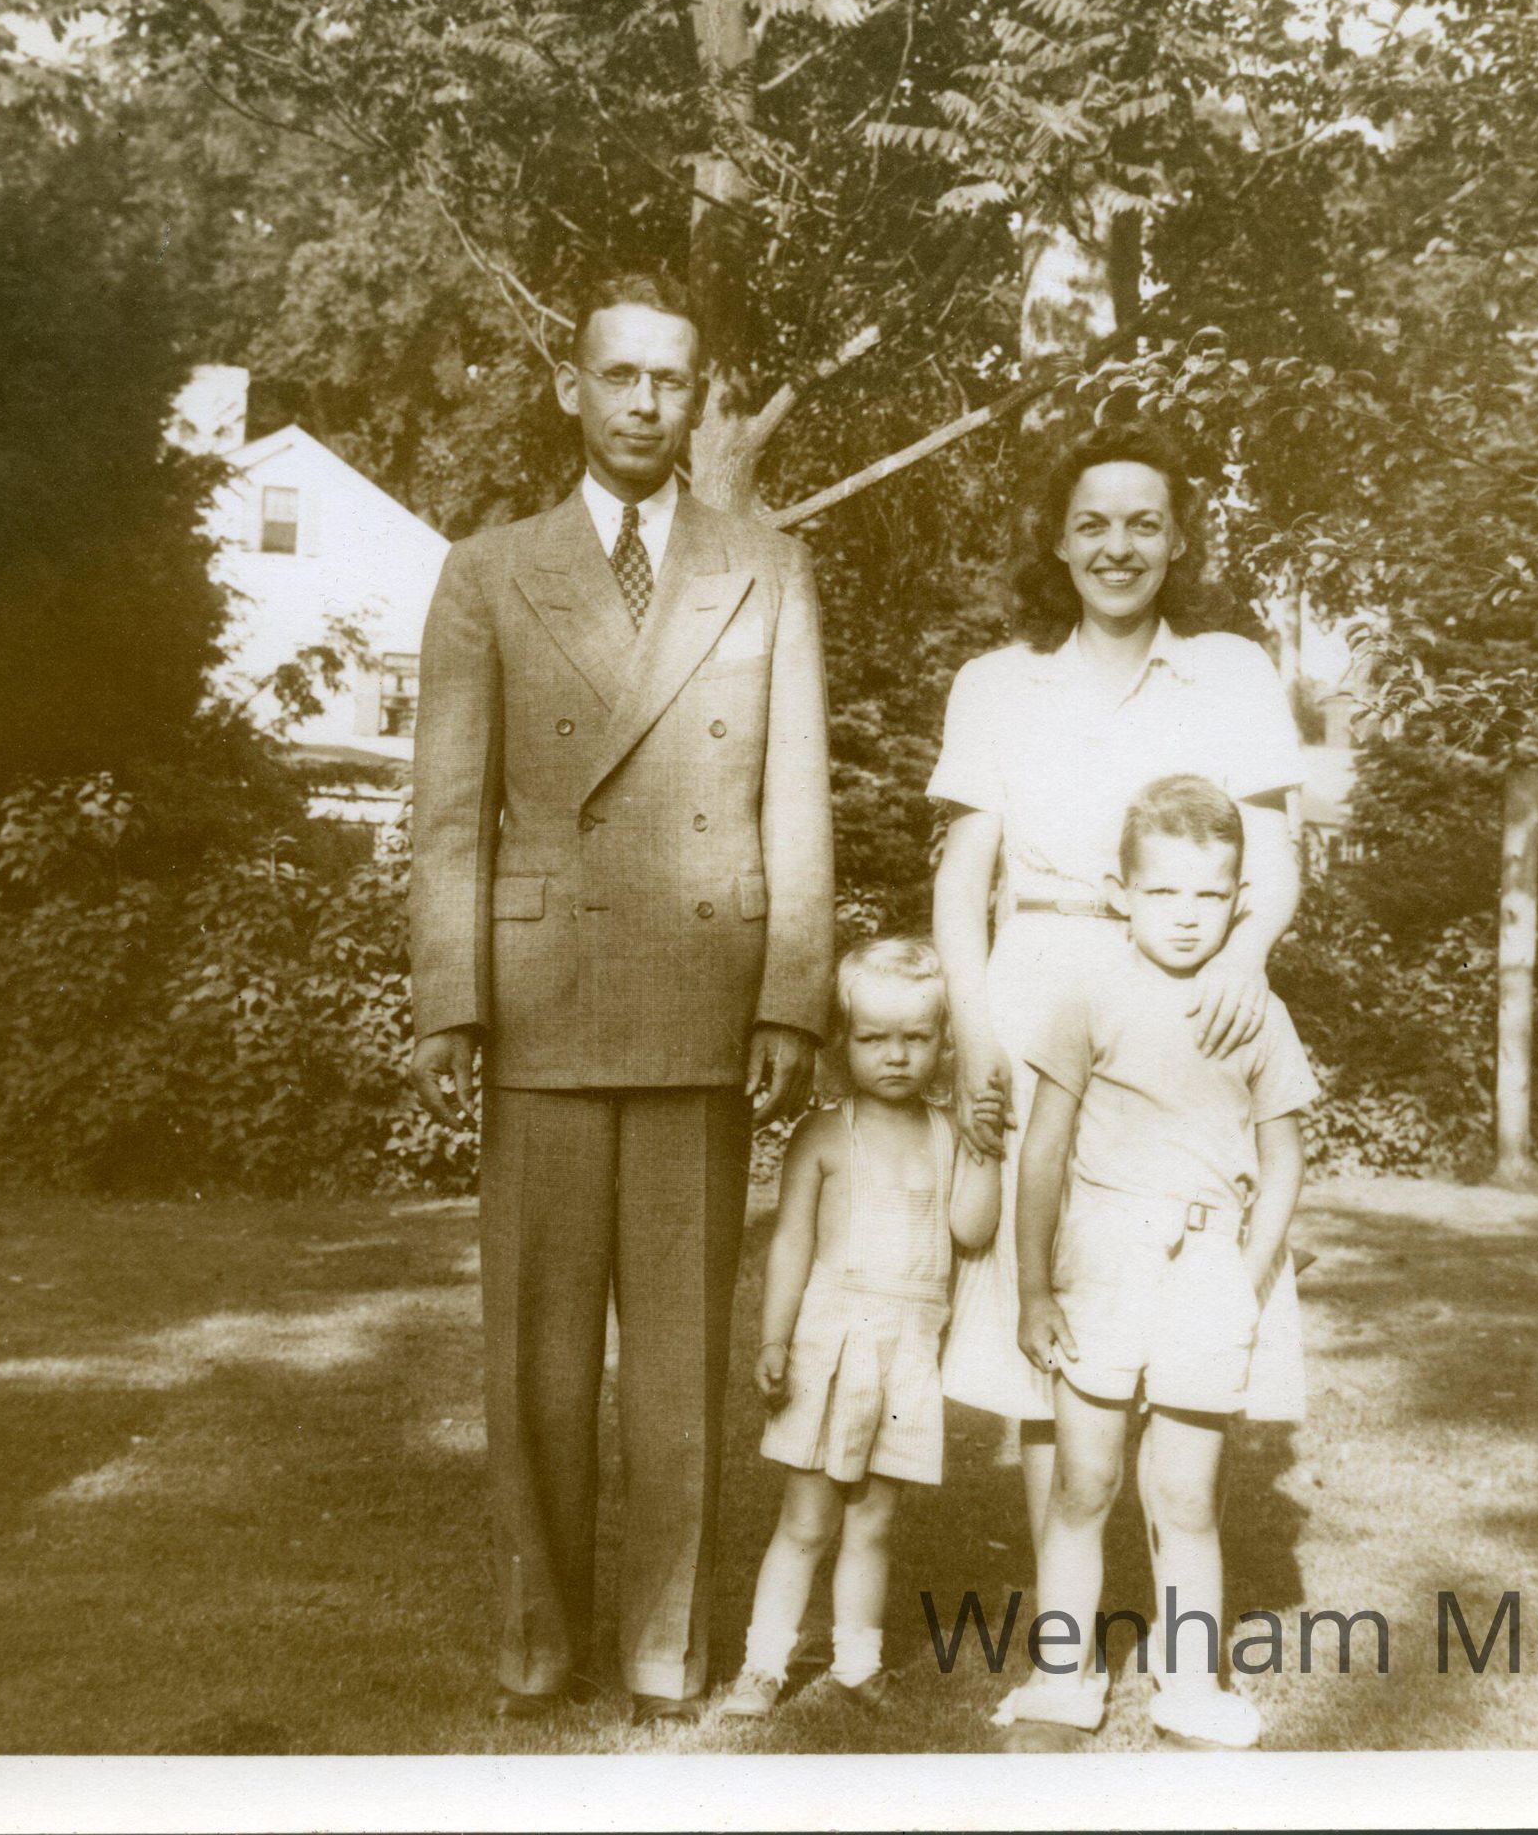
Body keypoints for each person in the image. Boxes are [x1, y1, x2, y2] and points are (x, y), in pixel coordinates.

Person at [408, 269, 835, 1728]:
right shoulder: (487, 569)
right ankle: (538, 1637)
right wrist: (451, 996)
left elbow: (796, 796)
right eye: (621, 375)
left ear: (697, 396)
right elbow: (448, 811)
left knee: (677, 1362)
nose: (646, 402)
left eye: (672, 379)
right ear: (571, 389)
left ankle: (663, 1645)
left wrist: (792, 995)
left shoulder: (766, 564)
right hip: (542, 997)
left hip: (704, 999)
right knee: (533, 1357)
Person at [926, 422, 1309, 1559]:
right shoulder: (997, 685)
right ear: (1057, 540)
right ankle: (1070, 1622)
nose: (1118, 547)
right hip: (1036, 988)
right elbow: (962, 883)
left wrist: (1241, 959)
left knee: (1188, 1278)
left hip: (1191, 1000)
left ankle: (1177, 1584)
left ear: (1179, 539)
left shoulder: (1232, 671)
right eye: (1092, 524)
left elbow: (1276, 860)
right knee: (1044, 1292)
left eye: (1145, 524)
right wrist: (976, 1038)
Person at [997, 776, 1316, 1751]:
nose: (1186, 915)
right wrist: (1034, 1289)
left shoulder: (1255, 1011)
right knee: (1082, 1484)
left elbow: (1284, 1158)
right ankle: (1063, 1678)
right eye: (1164, 891)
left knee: (1184, 1495)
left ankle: (1190, 1688)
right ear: (1120, 892)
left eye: (1209, 895)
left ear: (1239, 901)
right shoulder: (1087, 995)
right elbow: (1042, 1152)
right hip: (1099, 1260)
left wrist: (1245, 1279)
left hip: (1204, 1267)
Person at [719, 938, 1001, 1720]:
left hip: (908, 1352)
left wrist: (984, 1149)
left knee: (874, 1520)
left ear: (944, 1043)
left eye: (916, 1038)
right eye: (874, 1038)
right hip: (831, 1347)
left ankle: (857, 1663)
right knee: (806, 1520)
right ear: (843, 1042)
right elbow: (791, 1246)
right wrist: (774, 1340)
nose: (896, 1056)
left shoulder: (947, 1134)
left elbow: (973, 1231)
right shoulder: (823, 1134)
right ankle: (763, 1665)